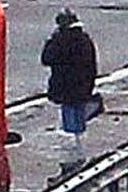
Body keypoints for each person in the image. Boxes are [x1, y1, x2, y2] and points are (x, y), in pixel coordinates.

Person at [42, 8, 98, 164]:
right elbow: (92, 65)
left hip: (64, 85)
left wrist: (51, 41)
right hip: (82, 85)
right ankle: (79, 144)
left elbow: (46, 58)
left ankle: (73, 150)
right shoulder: (84, 40)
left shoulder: (59, 40)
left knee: (68, 113)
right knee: (78, 113)